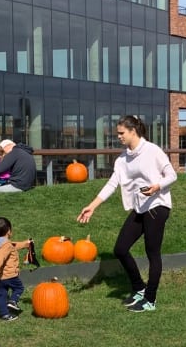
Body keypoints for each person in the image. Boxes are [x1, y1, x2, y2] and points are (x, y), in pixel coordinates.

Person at [76, 114, 177, 313]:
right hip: (140, 207)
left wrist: (157, 186)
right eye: (118, 134)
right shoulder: (122, 160)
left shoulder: (152, 151)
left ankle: (150, 299)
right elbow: (112, 184)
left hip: (157, 205)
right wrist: (92, 206)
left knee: (152, 253)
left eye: (121, 133)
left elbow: (172, 175)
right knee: (120, 249)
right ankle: (139, 287)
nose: (119, 137)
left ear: (133, 131)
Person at [0, 216, 31, 321]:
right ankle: (13, 301)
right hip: (9, 275)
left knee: (0, 295)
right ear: (9, 231)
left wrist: (25, 244)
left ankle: (5, 314)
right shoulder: (6, 245)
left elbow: (12, 246)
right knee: (19, 288)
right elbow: (1, 257)